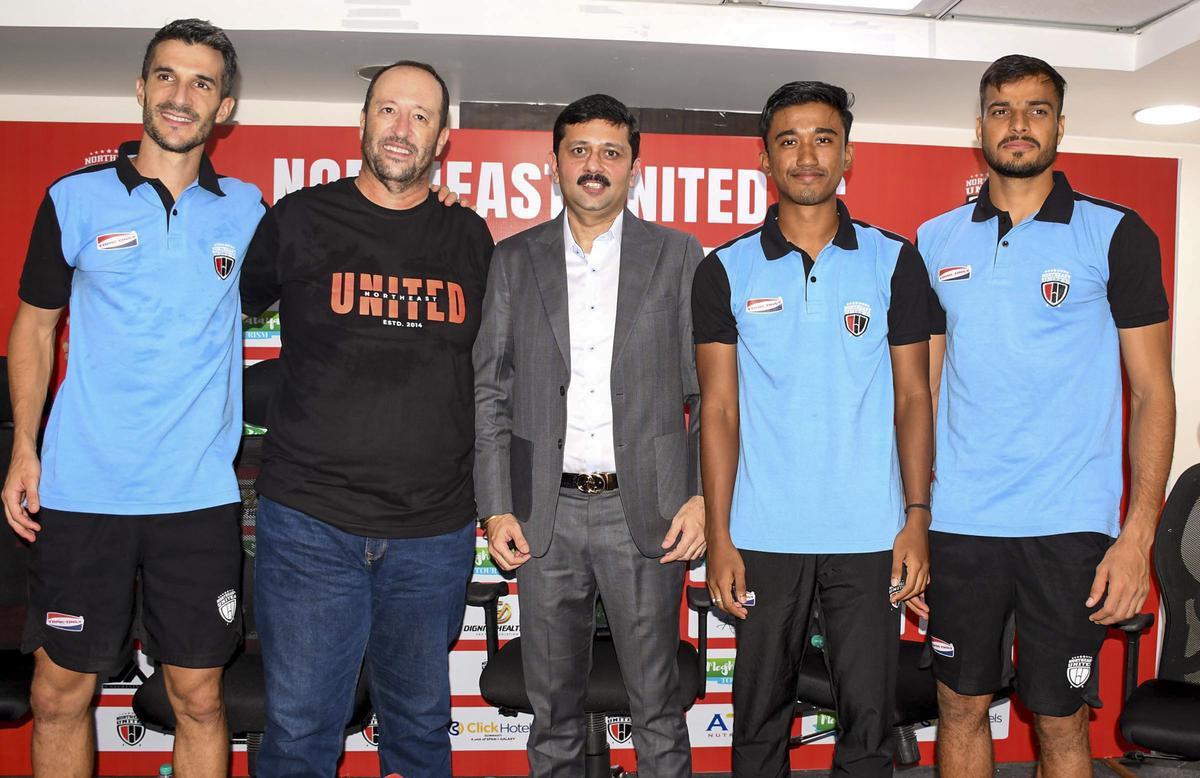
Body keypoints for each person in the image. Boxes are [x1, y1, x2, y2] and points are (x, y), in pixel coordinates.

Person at [3, 19, 262, 777]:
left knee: (201, 699)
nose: (181, 97)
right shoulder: (73, 198)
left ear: (226, 107)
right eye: (167, 77)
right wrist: (25, 445)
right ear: (141, 88)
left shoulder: (248, 212)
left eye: (202, 83)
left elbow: (354, 242)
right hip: (83, 492)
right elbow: (34, 327)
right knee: (56, 695)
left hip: (197, 496)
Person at [918, 55, 1175, 778]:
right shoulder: (936, 241)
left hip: (1070, 526)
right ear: (980, 128)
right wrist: (911, 513)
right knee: (959, 706)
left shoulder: (1115, 233)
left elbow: (1154, 393)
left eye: (1036, 110)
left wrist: (1138, 537)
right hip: (962, 521)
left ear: (1060, 126)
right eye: (1002, 110)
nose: (1018, 125)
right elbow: (924, 394)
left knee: (1062, 721)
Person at [239, 60, 493, 777]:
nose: (401, 128)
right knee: (299, 733)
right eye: (387, 110)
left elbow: (497, 376)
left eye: (420, 116)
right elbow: (215, 317)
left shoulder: (469, 238)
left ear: (443, 137)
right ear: (361, 122)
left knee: (418, 733)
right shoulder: (299, 219)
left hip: (433, 532)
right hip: (311, 527)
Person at [694, 81, 934, 777]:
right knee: (760, 717)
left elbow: (914, 396)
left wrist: (917, 518)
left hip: (871, 534)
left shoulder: (894, 260)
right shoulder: (725, 270)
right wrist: (721, 534)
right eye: (789, 140)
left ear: (847, 154)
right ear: (764, 158)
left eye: (823, 138)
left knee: (868, 728)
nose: (807, 155)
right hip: (764, 535)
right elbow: (718, 410)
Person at [473, 93, 705, 777]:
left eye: (611, 152)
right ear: (555, 164)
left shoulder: (678, 255)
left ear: (635, 167)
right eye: (579, 150)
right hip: (546, 515)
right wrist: (496, 505)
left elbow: (713, 391)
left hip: (650, 514)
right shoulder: (515, 259)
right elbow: (490, 388)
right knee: (553, 715)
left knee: (657, 709)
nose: (594, 165)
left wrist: (699, 498)